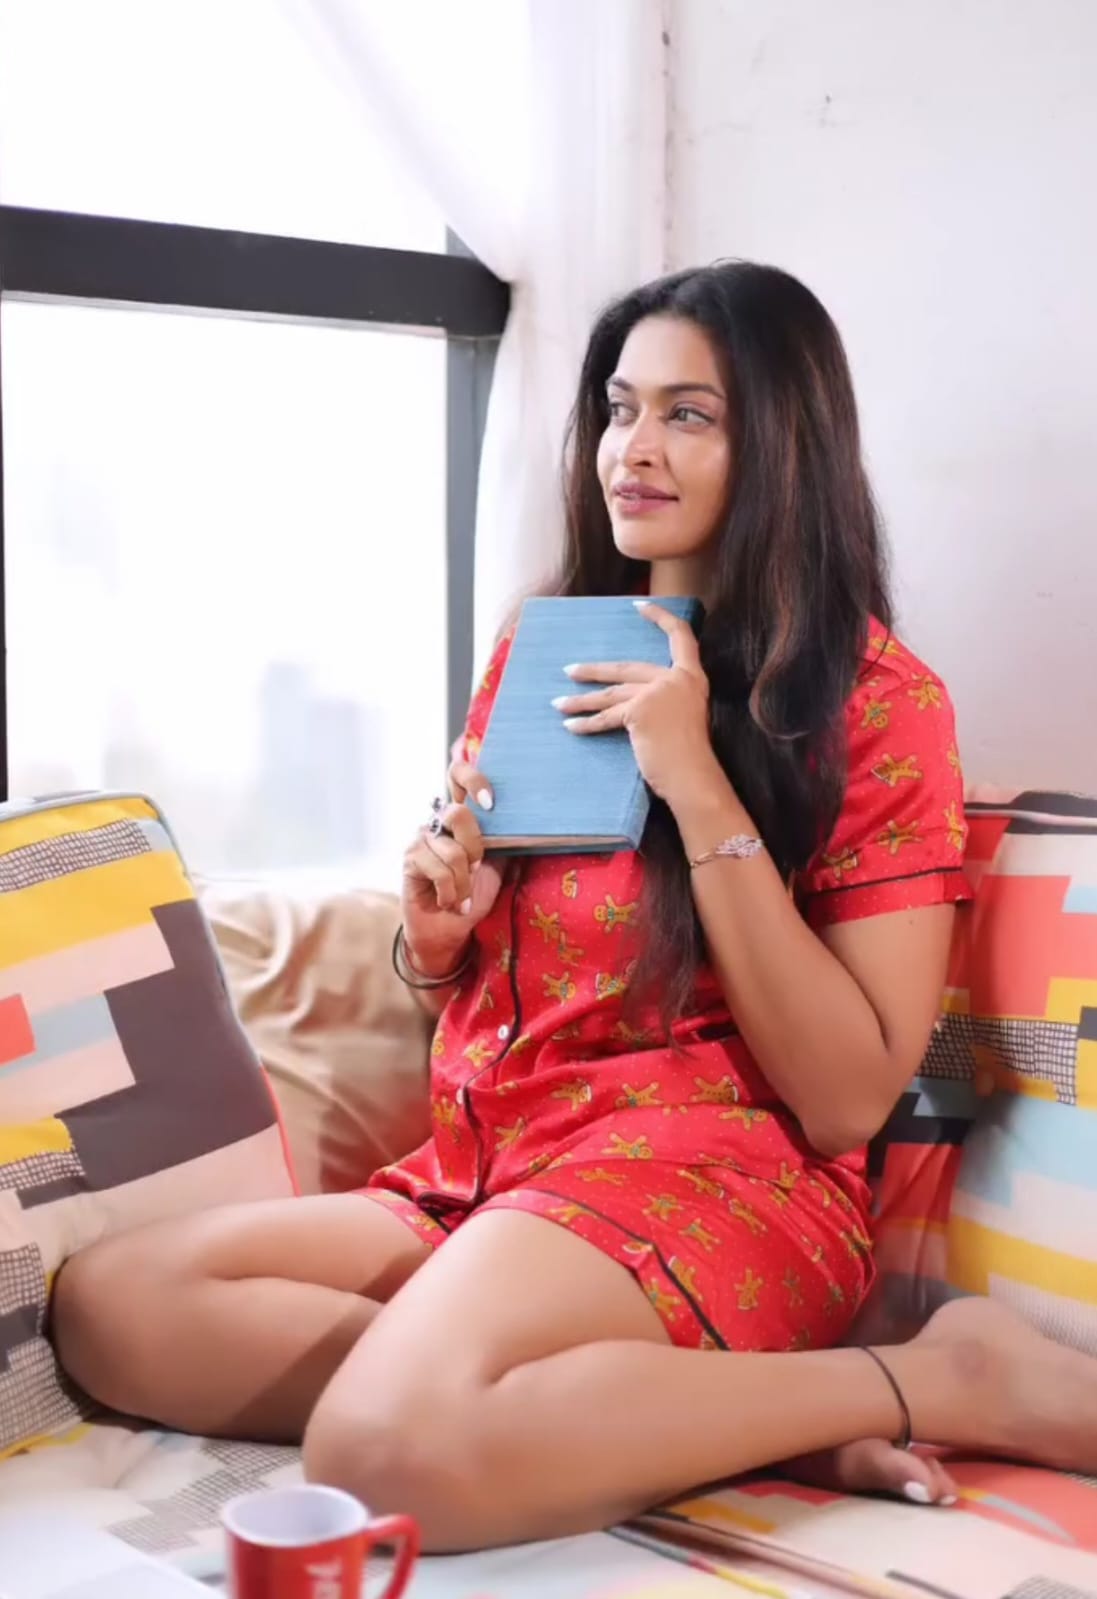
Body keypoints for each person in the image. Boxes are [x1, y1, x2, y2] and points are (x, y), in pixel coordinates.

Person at [54, 263, 1097, 1552]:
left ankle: (941, 1378)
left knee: (381, 1452)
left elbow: (847, 1099)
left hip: (712, 1185)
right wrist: (437, 936)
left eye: (687, 414)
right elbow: (500, 979)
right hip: (494, 1168)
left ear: (784, 443)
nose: (631, 449)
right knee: (117, 1305)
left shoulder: (877, 705)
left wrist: (696, 780)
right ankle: (693, 1412)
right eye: (619, 408)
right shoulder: (546, 650)